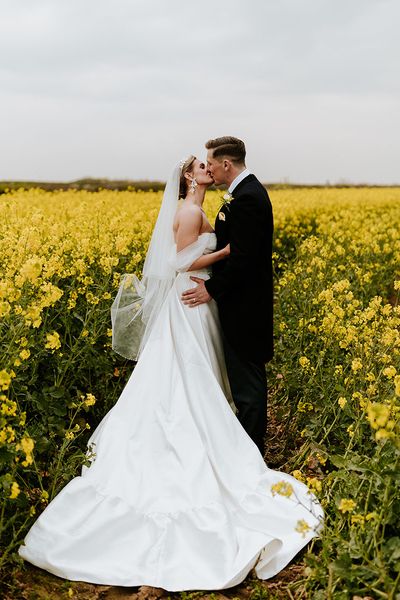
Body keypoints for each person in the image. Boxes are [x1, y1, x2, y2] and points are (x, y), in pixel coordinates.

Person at [18, 155, 323, 591]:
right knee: (185, 377)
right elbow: (179, 263)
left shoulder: (200, 208)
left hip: (198, 301)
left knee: (197, 376)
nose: (205, 169)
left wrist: (221, 259)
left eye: (207, 164)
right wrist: (226, 251)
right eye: (199, 165)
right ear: (187, 176)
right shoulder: (188, 211)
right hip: (189, 300)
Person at [182, 137, 272, 456]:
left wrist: (211, 288)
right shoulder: (241, 194)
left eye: (211, 163)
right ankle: (246, 452)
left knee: (247, 386)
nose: (209, 168)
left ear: (226, 164)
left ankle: (252, 456)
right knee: (241, 382)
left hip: (245, 308)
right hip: (237, 305)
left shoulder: (247, 198)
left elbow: (243, 259)